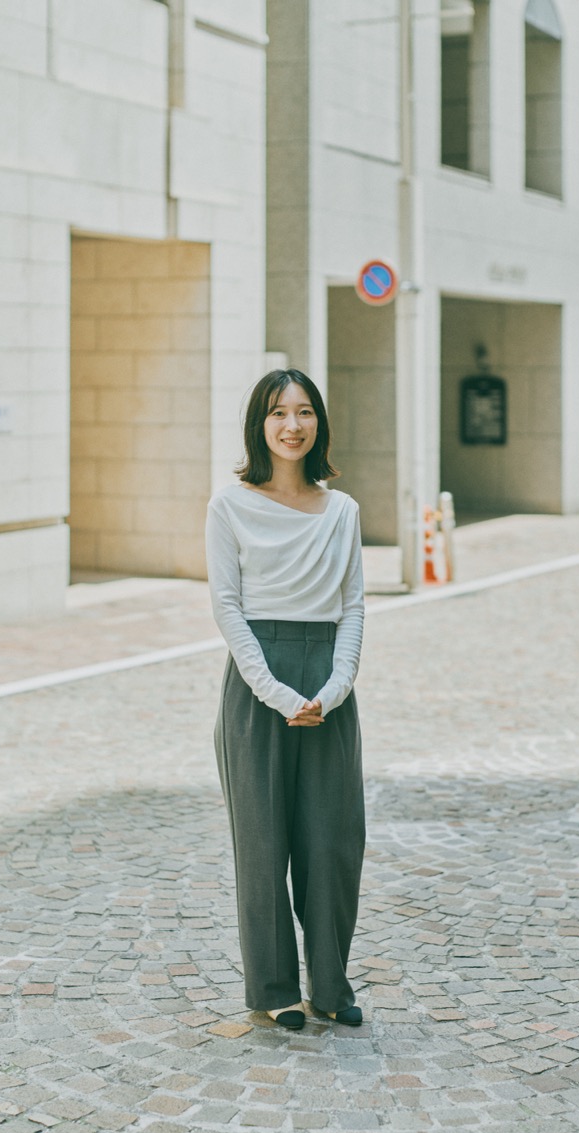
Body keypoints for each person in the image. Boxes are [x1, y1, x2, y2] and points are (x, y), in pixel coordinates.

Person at [205, 368, 366, 1030]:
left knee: (331, 842)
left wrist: (334, 688)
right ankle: (272, 988)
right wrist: (272, 691)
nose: (292, 425)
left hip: (329, 688)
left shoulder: (343, 511)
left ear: (318, 423)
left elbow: (353, 605)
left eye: (304, 412)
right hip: (255, 685)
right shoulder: (230, 505)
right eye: (278, 413)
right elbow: (227, 606)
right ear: (259, 424)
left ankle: (330, 984)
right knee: (264, 844)